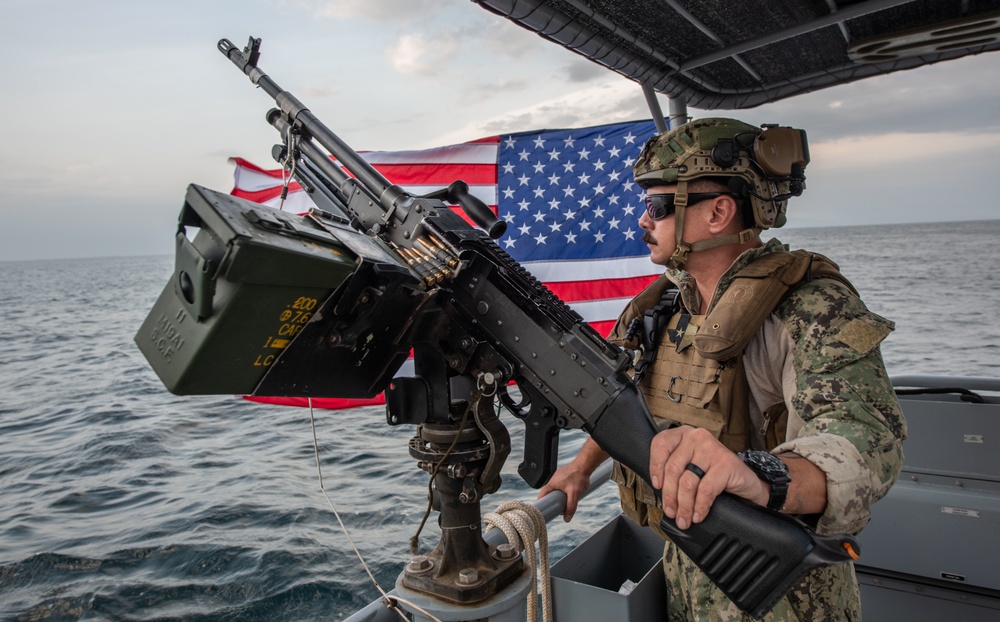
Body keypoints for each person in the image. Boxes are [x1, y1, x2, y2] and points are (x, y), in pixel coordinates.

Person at [538, 117, 906, 620]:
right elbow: (618, 398)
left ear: (718, 213)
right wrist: (579, 470)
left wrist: (760, 477)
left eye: (659, 206)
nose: (644, 220)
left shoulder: (811, 308)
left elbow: (866, 442)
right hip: (686, 570)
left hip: (784, 593)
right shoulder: (661, 308)